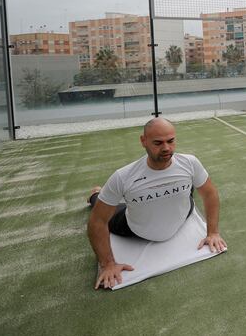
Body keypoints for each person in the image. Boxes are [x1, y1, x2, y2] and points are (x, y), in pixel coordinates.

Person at [87, 117, 226, 290]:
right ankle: (96, 194)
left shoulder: (189, 163)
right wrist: (108, 264)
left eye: (171, 141)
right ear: (143, 141)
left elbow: (209, 193)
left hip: (184, 213)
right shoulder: (123, 177)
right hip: (132, 228)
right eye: (158, 143)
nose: (166, 148)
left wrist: (212, 232)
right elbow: (97, 221)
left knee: (186, 190)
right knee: (105, 205)